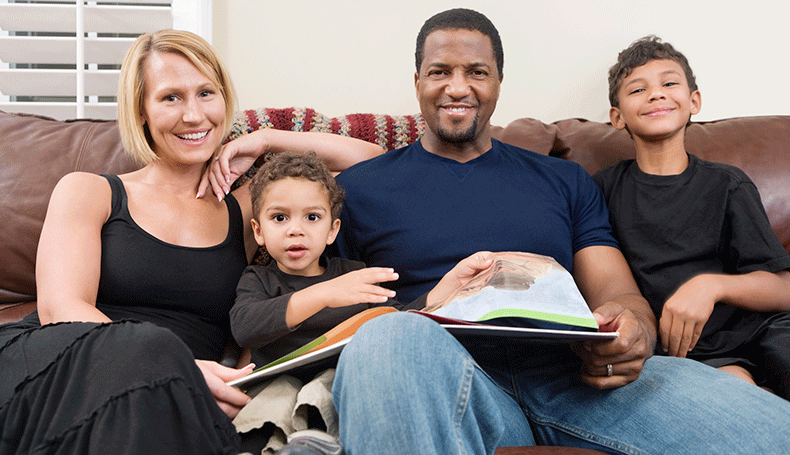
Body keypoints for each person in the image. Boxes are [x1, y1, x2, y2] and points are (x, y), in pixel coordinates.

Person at [317, 8, 790, 454]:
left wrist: (634, 332)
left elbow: (620, 294)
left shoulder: (563, 180)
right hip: (449, 378)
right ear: (417, 82)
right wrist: (427, 309)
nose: (457, 87)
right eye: (440, 71)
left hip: (576, 380)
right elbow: (324, 309)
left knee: (773, 430)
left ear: (499, 82)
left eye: (477, 72)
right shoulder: (357, 190)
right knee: (385, 338)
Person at [0, 29, 382, 455]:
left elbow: (373, 164)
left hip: (168, 397)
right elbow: (61, 310)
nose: (194, 115)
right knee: (149, 351)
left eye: (206, 93)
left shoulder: (249, 209)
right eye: (170, 98)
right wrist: (174, 362)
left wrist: (266, 139)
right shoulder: (89, 191)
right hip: (64, 368)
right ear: (141, 110)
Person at [593, 36, 790, 399]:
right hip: (683, 357)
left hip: (758, 333)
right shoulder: (603, 190)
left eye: (669, 83)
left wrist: (711, 286)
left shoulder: (727, 184)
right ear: (617, 117)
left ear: (694, 101)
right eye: (638, 89)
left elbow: (783, 290)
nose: (656, 94)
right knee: (735, 392)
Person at [230, 151, 494, 366]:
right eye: (280, 218)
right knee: (274, 399)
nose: (295, 230)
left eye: (312, 217)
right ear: (258, 231)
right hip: (275, 384)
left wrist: (446, 288)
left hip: (339, 381)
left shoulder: (353, 276)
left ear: (332, 230)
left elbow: (397, 318)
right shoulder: (258, 279)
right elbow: (244, 328)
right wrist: (325, 294)